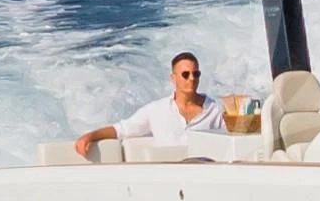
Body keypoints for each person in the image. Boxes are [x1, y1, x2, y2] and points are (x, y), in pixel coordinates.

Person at [77, 51, 234, 157]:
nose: (191, 78)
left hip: (203, 176)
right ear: (173, 78)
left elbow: (237, 134)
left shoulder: (215, 110)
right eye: (185, 74)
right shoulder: (157, 110)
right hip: (167, 178)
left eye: (196, 74)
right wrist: (90, 136)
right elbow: (122, 130)